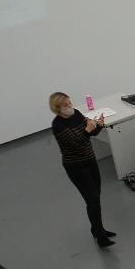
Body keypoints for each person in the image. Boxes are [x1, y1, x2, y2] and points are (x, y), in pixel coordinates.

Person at [49, 92, 114, 248]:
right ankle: (100, 237)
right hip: (75, 166)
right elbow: (75, 142)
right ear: (57, 108)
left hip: (90, 160)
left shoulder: (76, 114)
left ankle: (97, 229)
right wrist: (87, 129)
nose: (70, 107)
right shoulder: (58, 125)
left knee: (96, 196)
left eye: (70, 103)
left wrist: (99, 125)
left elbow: (90, 133)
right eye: (65, 105)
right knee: (92, 200)